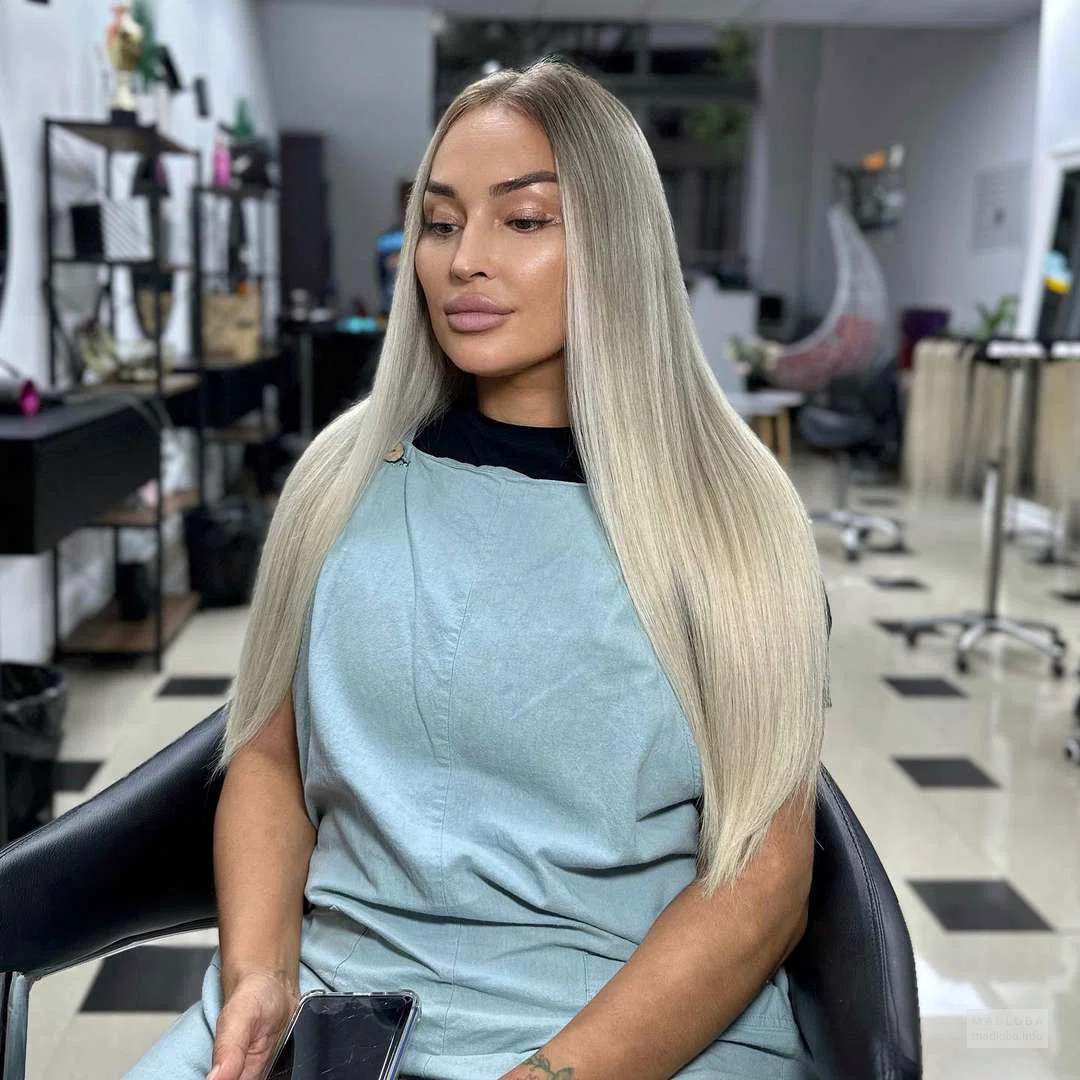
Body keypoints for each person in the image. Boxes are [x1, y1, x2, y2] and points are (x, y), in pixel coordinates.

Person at [126, 57, 830, 1080]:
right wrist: (260, 974)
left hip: (635, 1027)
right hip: (336, 1000)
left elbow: (765, 884)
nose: (465, 260)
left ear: (618, 242)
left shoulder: (732, 516)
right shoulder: (341, 477)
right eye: (441, 222)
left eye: (524, 220)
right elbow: (269, 762)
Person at [376, 180, 413, 316]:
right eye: (405, 200)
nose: (407, 205)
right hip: (391, 309)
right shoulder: (387, 241)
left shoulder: (427, 239)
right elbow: (381, 277)